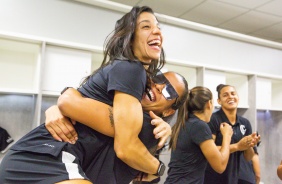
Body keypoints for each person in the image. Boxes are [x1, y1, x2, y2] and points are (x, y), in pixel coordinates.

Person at [0, 6, 185, 184]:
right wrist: (158, 168)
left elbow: (71, 101)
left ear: (170, 111)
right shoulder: (131, 70)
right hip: (46, 157)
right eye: (146, 26)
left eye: (169, 91)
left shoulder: (150, 123)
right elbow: (125, 147)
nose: (157, 32)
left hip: (43, 157)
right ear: (129, 37)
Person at [163, 86, 233, 184]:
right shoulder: (199, 126)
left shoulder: (186, 123)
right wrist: (227, 136)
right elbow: (220, 166)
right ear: (209, 104)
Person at [204, 84, 261, 184]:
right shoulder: (213, 119)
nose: (230, 97)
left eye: (233, 94)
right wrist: (237, 146)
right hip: (214, 177)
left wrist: (249, 144)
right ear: (219, 101)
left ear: (238, 98)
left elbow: (248, 157)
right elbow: (209, 150)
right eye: (225, 95)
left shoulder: (245, 123)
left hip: (234, 177)